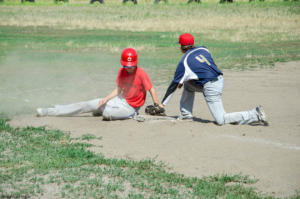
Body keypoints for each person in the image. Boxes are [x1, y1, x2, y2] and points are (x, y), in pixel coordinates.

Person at [160, 33, 268, 126]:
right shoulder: (204, 49)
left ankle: (255, 114)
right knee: (188, 84)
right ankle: (186, 115)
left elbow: (173, 86)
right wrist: (183, 81)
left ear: (181, 47)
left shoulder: (184, 62)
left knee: (221, 119)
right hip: (219, 79)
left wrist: (162, 104)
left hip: (211, 86)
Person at [36, 48, 161, 121]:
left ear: (136, 63)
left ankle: (109, 111)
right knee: (88, 104)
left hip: (131, 108)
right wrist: (106, 99)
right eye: (126, 66)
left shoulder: (141, 73)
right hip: (120, 100)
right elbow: (119, 89)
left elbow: (152, 90)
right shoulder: (122, 71)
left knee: (107, 114)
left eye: (131, 66)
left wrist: (157, 104)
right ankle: (52, 111)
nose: (129, 68)